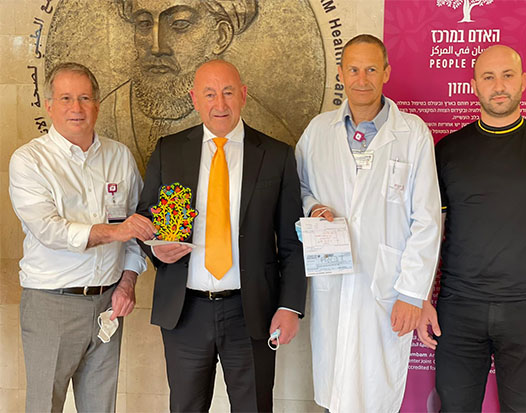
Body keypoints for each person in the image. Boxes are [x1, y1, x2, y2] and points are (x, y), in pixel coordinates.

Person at [136, 59, 306, 412]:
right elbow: (146, 219)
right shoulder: (169, 151)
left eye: (228, 92)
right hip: (185, 312)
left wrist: (289, 306)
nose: (220, 104)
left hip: (251, 312)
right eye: (210, 94)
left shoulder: (275, 155)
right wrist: (155, 251)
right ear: (194, 99)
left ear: (243, 95)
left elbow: (292, 243)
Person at [295, 34, 441, 412]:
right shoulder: (318, 131)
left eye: (371, 69)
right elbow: (299, 188)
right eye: (354, 70)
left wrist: (411, 294)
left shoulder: (412, 134)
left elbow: (426, 219)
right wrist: (313, 208)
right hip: (333, 281)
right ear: (341, 74)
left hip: (388, 288)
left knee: (375, 392)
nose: (362, 79)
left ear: (386, 73)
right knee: (336, 389)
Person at [8, 62, 157, 412]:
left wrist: (127, 283)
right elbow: (50, 230)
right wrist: (116, 231)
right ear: (49, 106)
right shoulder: (29, 161)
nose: (76, 107)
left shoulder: (120, 156)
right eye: (66, 98)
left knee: (101, 408)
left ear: (97, 105)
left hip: (108, 304)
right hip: (51, 304)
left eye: (85, 98)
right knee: (45, 406)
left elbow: (135, 234)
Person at [417, 45, 526, 412]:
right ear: (474, 86)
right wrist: (423, 298)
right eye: (488, 77)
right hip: (459, 309)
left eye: (508, 75)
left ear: (523, 81)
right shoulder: (448, 151)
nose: (499, 86)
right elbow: (430, 231)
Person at [98, 0, 294, 174]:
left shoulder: (266, 133)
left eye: (180, 23)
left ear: (221, 36)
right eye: (144, 23)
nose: (156, 47)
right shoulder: (106, 112)